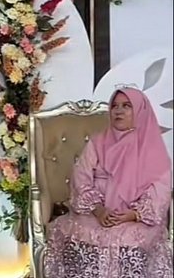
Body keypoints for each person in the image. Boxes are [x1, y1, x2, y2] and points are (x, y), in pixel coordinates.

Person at [45, 87, 173, 278]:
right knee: (80, 233)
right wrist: (98, 209)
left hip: (135, 217)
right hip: (95, 213)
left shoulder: (152, 147)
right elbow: (81, 178)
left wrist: (133, 214)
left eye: (126, 106)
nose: (118, 111)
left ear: (140, 110)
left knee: (130, 238)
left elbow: (160, 189)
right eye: (114, 106)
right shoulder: (97, 142)